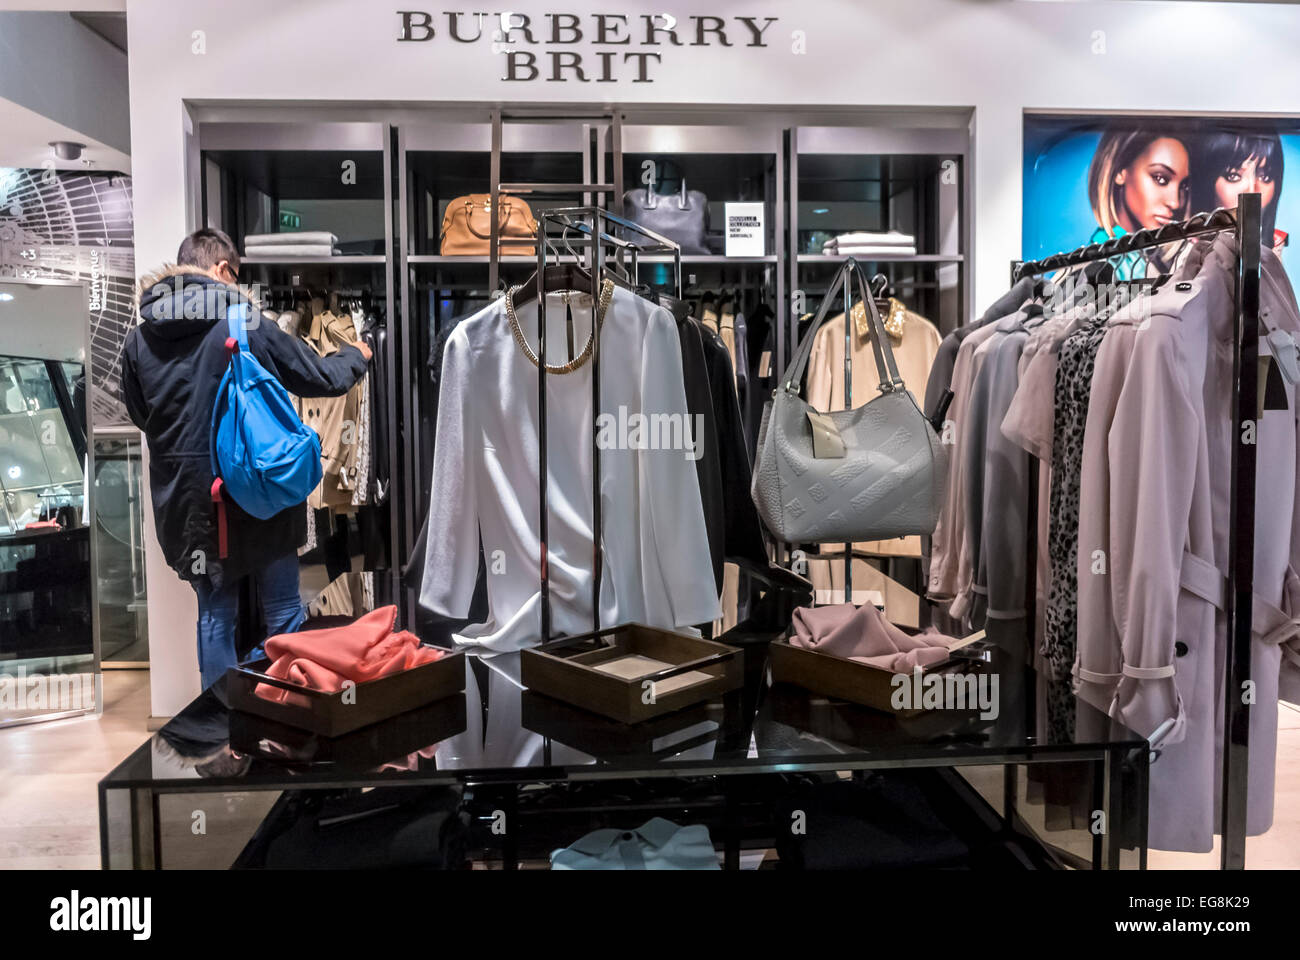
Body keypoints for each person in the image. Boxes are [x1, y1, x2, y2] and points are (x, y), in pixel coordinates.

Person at [120, 228, 371, 689]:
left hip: (188, 505)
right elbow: (317, 376)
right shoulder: (242, 319)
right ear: (220, 270)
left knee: (215, 616)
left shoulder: (138, 339)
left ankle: (220, 729)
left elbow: (142, 416)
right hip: (258, 490)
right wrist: (356, 355)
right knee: (282, 609)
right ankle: (288, 712)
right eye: (236, 275)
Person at [1087, 126, 1192, 275]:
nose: (1175, 202)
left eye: (1184, 186)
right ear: (1119, 171)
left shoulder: (1166, 256)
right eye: (1160, 178)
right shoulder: (1103, 264)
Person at [1192, 129, 1286, 253]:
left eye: (1265, 177)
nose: (1252, 192)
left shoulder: (1276, 245)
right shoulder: (1185, 252)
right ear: (1207, 184)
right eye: (1234, 176)